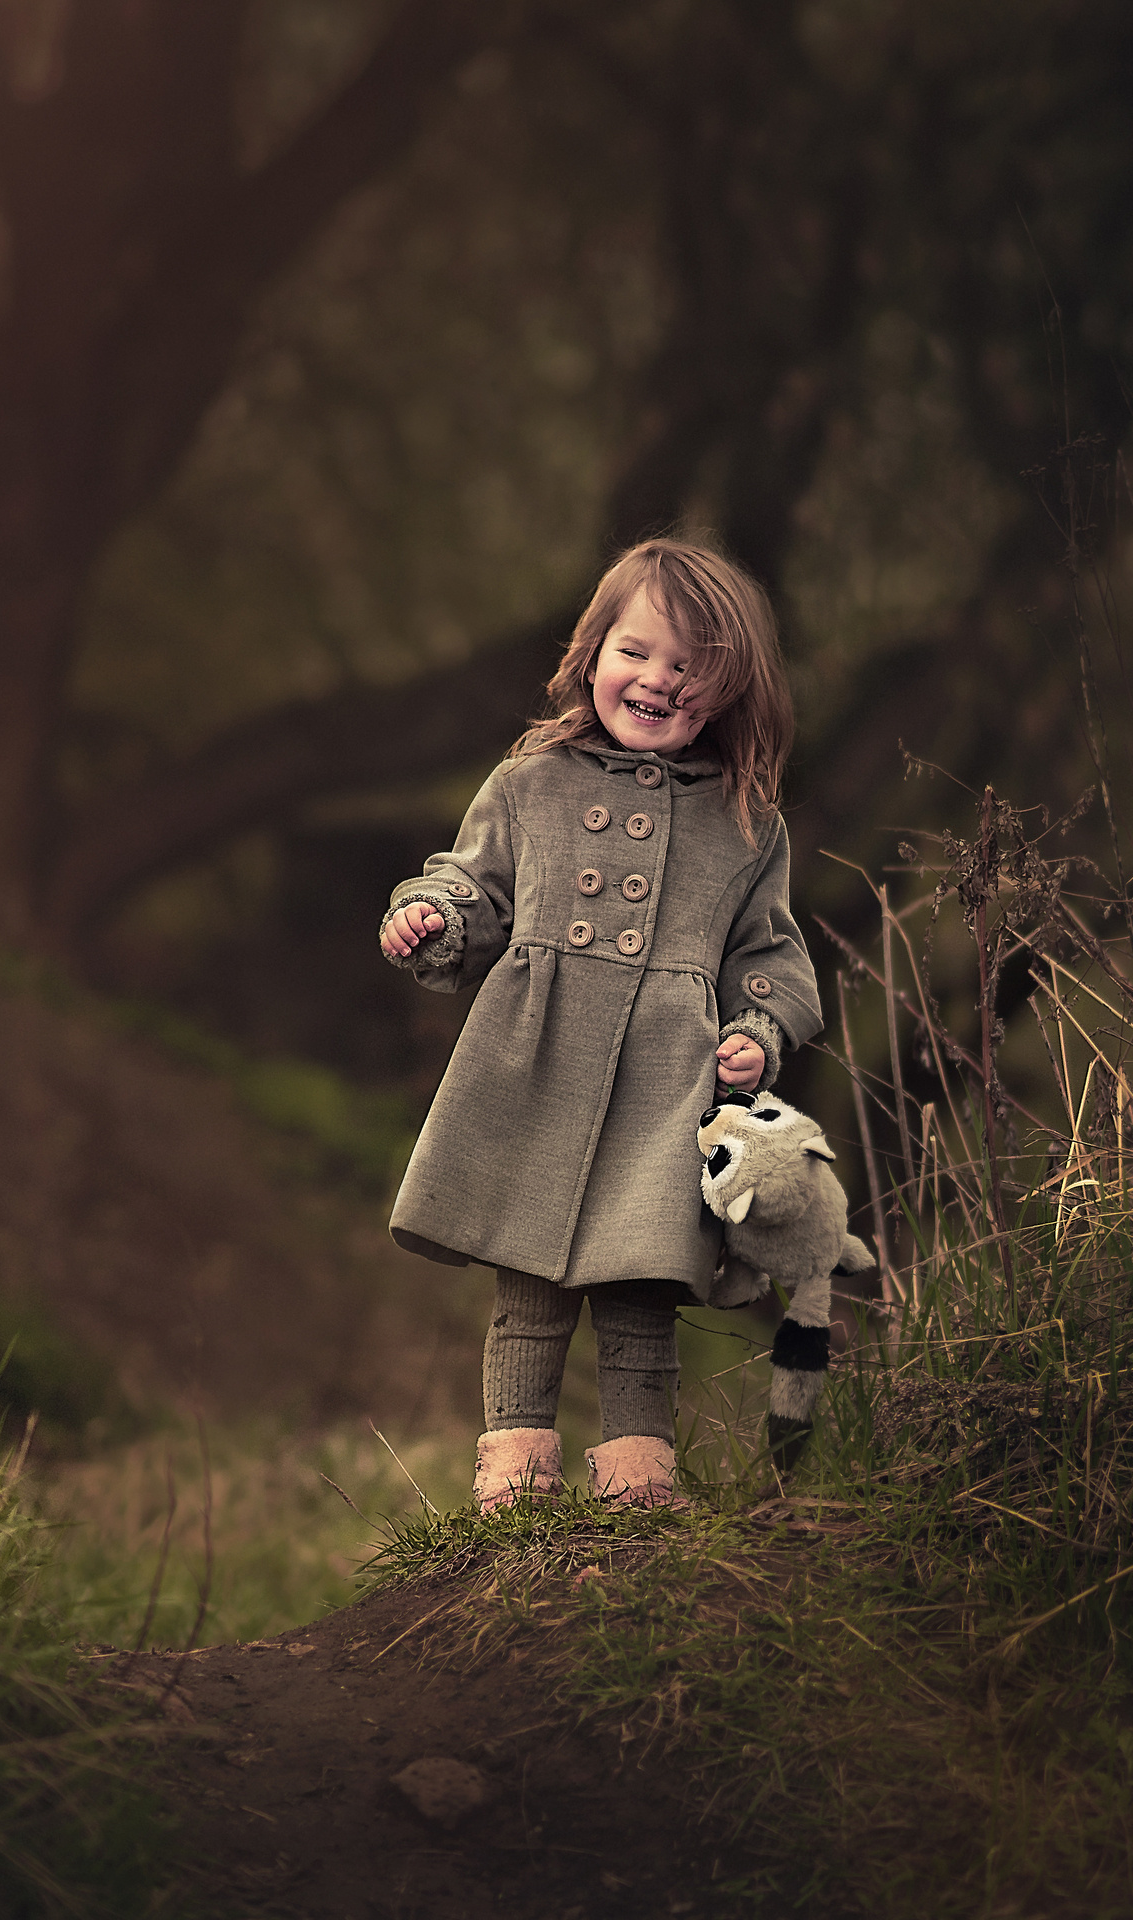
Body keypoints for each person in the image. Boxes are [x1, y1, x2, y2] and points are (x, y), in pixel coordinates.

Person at [378, 534, 819, 1513]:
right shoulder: (529, 783)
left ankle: (637, 1495)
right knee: (528, 1296)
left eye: (691, 665)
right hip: (538, 1069)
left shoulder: (747, 821)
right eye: (637, 651)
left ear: (731, 688)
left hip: (663, 1092)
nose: (658, 679)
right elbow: (472, 886)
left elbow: (770, 958)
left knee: (637, 1301)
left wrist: (758, 1030)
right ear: (590, 653)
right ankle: (515, 1494)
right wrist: (433, 917)